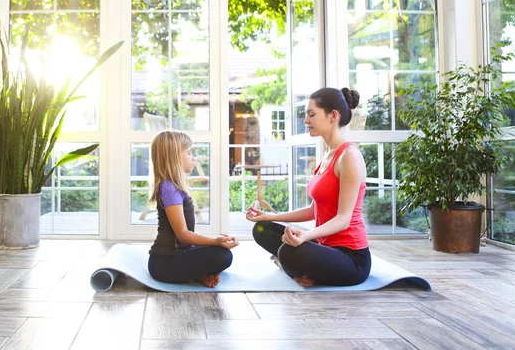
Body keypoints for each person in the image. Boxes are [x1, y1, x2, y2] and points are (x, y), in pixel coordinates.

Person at [246, 87, 371, 287]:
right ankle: (300, 267)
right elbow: (314, 210)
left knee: (288, 251)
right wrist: (268, 216)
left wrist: (306, 235)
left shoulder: (349, 157)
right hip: (323, 246)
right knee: (262, 229)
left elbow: (344, 219)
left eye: (312, 114)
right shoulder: (327, 155)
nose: (306, 121)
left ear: (333, 116)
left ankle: (293, 265)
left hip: (351, 257)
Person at [148, 130, 239, 288]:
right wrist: (216, 241)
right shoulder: (170, 188)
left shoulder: (172, 186)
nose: (193, 158)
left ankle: (199, 275)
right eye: (189, 153)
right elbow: (183, 235)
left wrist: (215, 242)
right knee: (223, 256)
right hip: (164, 263)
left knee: (215, 249)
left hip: (176, 255)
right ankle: (197, 274)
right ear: (174, 156)